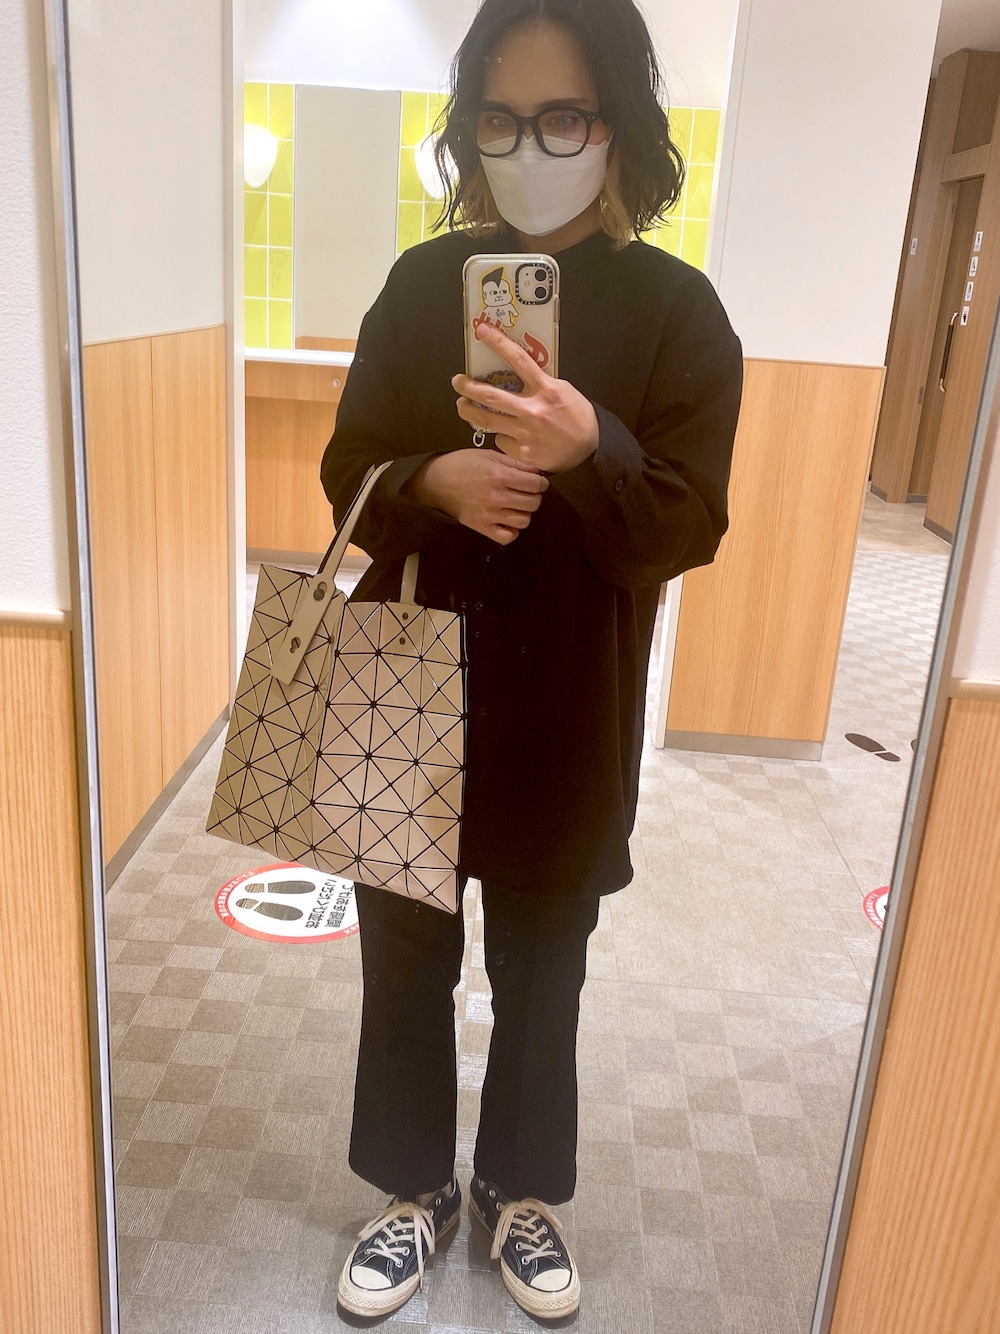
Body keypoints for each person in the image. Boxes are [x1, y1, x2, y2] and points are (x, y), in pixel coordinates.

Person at [320, 0, 744, 1320]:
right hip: (409, 677)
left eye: (564, 118)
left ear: (618, 130)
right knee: (403, 958)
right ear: (469, 134)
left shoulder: (679, 312)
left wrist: (588, 447)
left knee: (543, 971)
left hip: (571, 693)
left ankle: (518, 1188)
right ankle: (414, 1189)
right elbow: (346, 471)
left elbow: (689, 523)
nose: (531, 147)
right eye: (501, 121)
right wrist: (429, 479)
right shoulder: (418, 286)